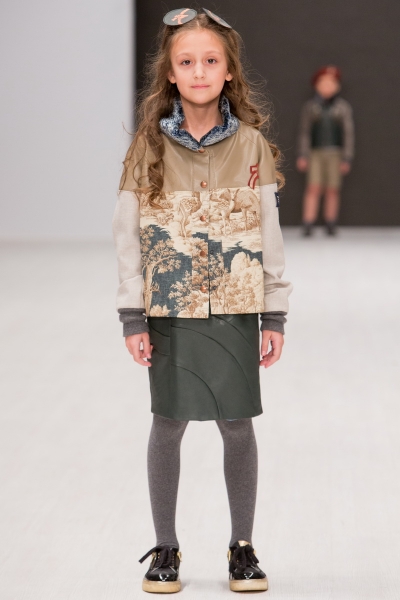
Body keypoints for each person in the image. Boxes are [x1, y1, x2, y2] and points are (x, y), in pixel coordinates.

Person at [112, 7, 293, 594]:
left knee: (237, 423)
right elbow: (128, 236)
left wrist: (275, 311)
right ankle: (165, 547)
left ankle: (242, 547)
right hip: (168, 309)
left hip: (236, 306)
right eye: (186, 61)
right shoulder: (147, 149)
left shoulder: (253, 146)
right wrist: (132, 314)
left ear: (228, 71)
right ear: (169, 72)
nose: (198, 71)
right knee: (168, 422)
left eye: (210, 60)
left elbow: (269, 233)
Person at [296, 65, 355, 236]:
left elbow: (348, 133)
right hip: (315, 153)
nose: (328, 87)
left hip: (335, 153)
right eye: (324, 83)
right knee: (313, 187)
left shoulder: (342, 108)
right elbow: (305, 132)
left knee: (332, 188)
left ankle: (331, 221)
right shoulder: (311, 107)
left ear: (337, 86)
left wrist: (347, 157)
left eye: (331, 83)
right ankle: (308, 221)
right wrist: (303, 154)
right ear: (317, 85)